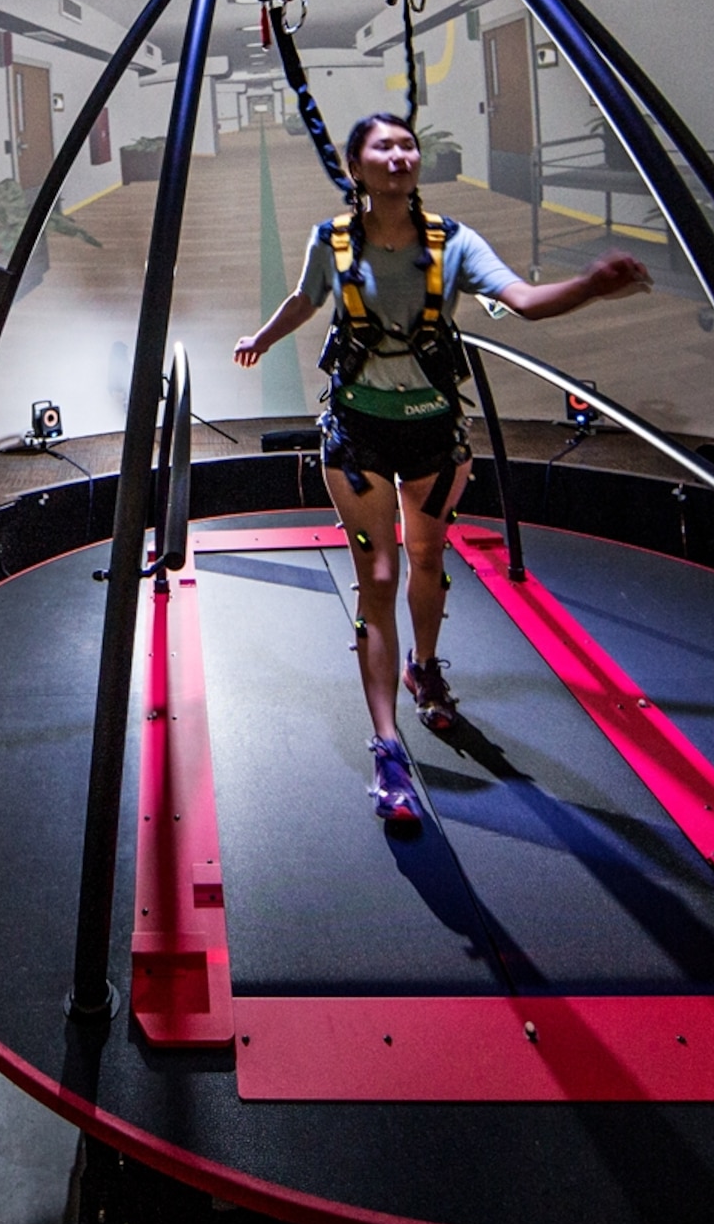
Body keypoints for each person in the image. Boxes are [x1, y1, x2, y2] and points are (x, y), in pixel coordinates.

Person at [233, 113, 651, 832]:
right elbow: (306, 299)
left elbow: (521, 300)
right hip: (357, 435)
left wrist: (588, 284)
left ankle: (424, 666)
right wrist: (263, 338)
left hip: (432, 433)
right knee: (381, 576)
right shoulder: (331, 242)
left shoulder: (452, 242)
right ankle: (387, 744)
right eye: (382, 146)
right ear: (356, 167)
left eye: (407, 144)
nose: (399, 154)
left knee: (427, 557)